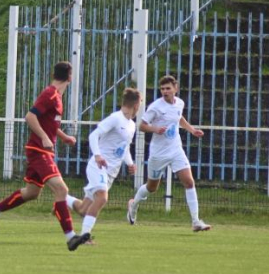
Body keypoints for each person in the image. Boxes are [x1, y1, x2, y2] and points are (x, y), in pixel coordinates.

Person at [0, 61, 89, 251]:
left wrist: (63, 137)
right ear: (70, 77)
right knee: (61, 190)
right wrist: (44, 137)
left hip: (42, 150)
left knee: (31, 193)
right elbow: (30, 117)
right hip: (39, 151)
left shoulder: (57, 96)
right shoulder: (49, 94)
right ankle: (71, 237)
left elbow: (50, 123)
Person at [127, 75, 211, 232]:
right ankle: (134, 204)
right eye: (162, 89)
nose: (165, 91)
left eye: (168, 88)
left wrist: (192, 130)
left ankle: (196, 221)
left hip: (176, 150)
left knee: (189, 182)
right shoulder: (155, 107)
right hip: (158, 154)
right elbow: (142, 126)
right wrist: (155, 129)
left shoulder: (179, 103)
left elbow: (179, 118)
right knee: (152, 188)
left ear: (175, 88)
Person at [65, 88, 141, 243]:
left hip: (111, 172)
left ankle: (61, 199)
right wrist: (98, 155)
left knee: (82, 209)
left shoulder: (131, 125)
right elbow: (94, 135)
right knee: (102, 197)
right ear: (136, 104)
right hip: (98, 166)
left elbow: (124, 147)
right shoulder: (115, 118)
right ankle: (85, 237)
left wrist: (130, 163)